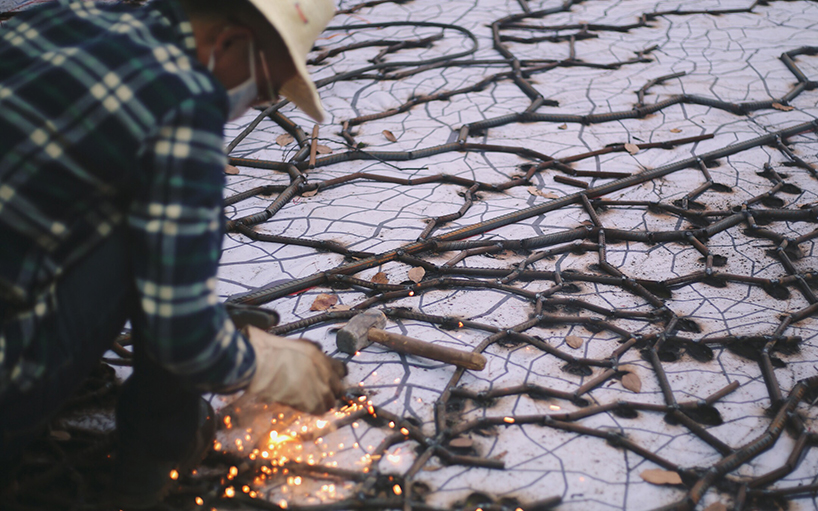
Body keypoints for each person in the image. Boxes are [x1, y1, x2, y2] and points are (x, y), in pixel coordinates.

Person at [0, 0, 344, 507]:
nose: (250, 104)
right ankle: (153, 458)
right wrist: (270, 364)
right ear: (228, 41)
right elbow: (181, 334)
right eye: (264, 88)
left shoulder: (60, 17)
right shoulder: (183, 104)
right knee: (155, 254)